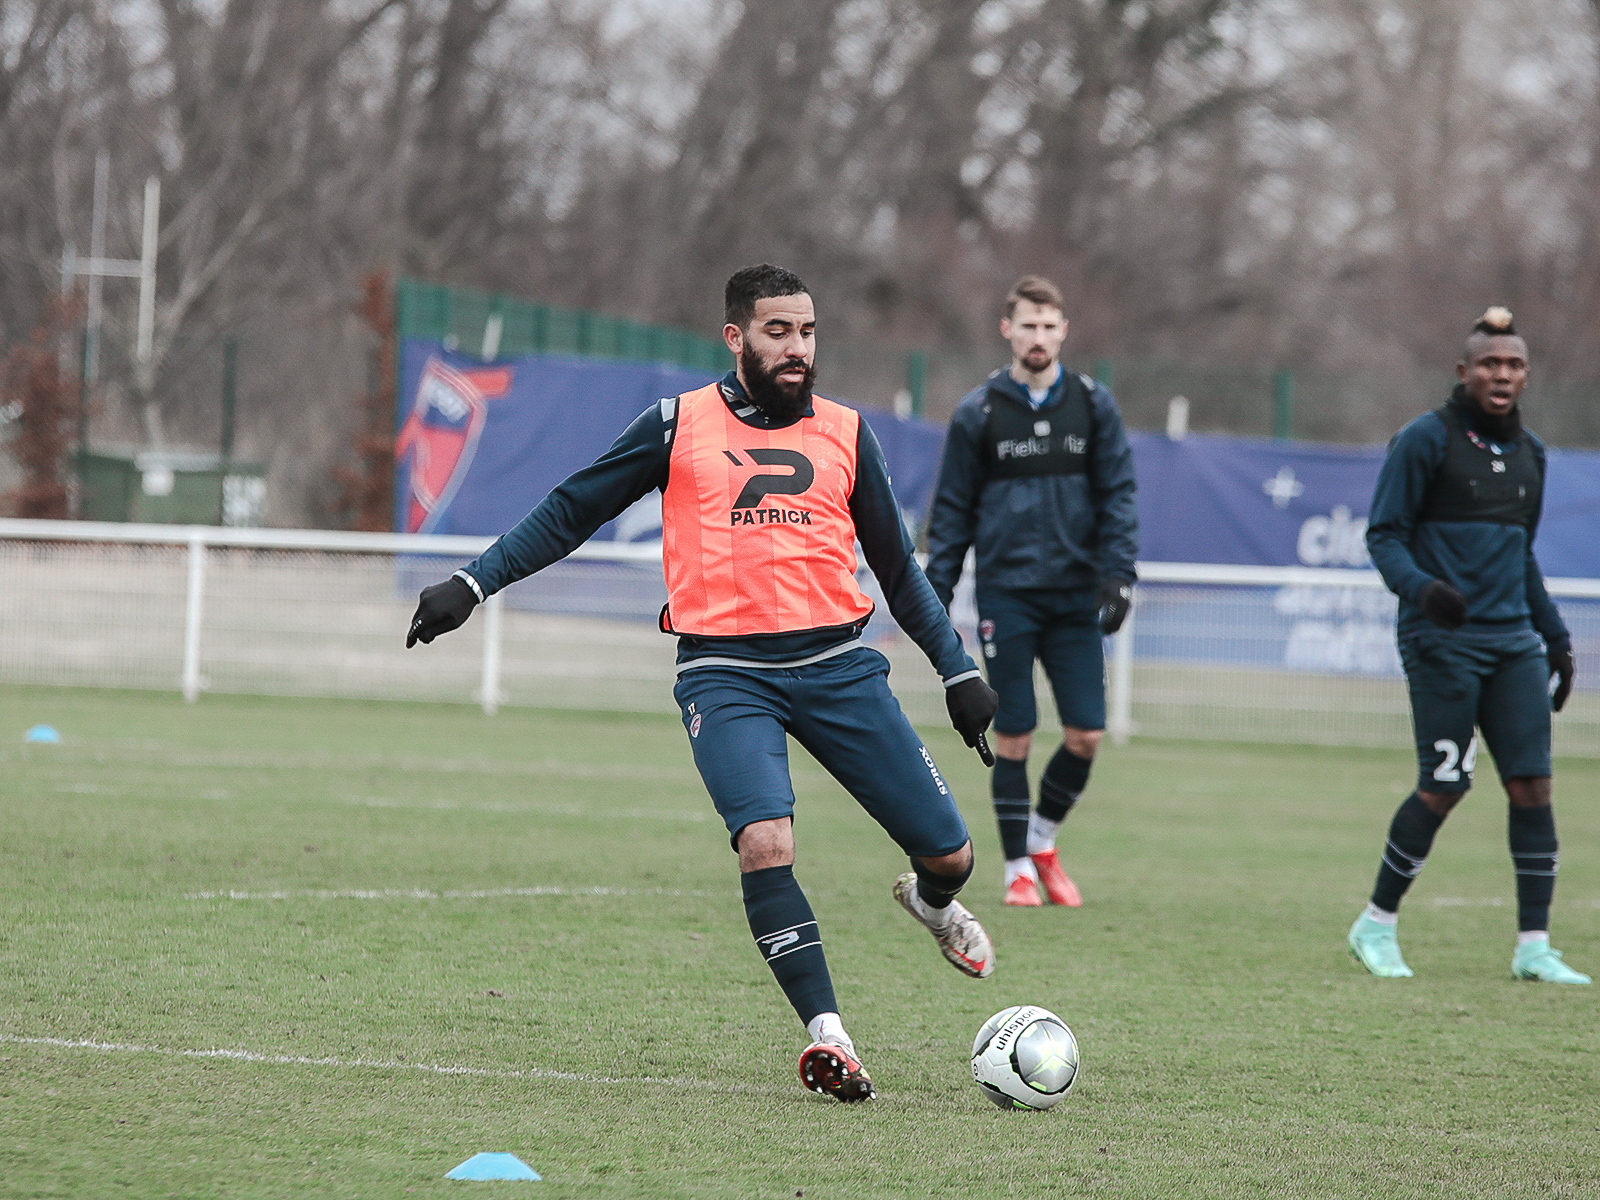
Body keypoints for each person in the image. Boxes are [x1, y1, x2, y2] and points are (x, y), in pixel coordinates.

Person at [407, 264, 1004, 1100]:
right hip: (726, 673)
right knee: (766, 843)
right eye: (778, 333)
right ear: (736, 338)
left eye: (807, 333)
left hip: (839, 666)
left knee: (953, 853)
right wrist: (471, 585)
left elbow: (899, 570)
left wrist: (958, 671)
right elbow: (570, 510)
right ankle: (830, 1037)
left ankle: (934, 904)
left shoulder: (846, 431)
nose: (798, 349)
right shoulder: (675, 424)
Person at [1348, 307, 1587, 984]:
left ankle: (1534, 947)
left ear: (1526, 375)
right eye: (1489, 363)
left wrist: (1557, 637)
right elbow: (1383, 536)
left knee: (1534, 786)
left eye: (1512, 364)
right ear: (1464, 371)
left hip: (1513, 643)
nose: (1501, 374)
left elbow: (1521, 555)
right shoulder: (1425, 440)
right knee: (1445, 784)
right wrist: (1424, 591)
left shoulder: (1532, 455)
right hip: (1441, 641)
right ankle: (1376, 925)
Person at [924, 276, 1138, 907]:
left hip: (1075, 597)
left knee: (1086, 736)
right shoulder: (979, 411)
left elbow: (1118, 496)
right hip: (1007, 594)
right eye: (1028, 325)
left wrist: (1119, 574)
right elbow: (954, 510)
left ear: (1063, 331)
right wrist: (935, 591)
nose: (1038, 337)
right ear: (1007, 330)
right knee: (1014, 733)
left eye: (1049, 326)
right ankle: (1017, 867)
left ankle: (1042, 839)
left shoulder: (1094, 405)